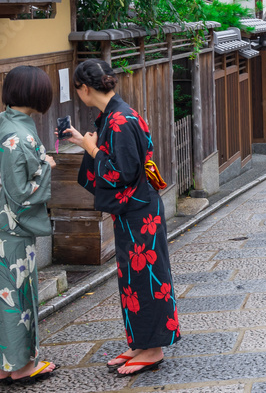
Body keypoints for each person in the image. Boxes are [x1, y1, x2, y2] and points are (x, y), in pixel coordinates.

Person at [66, 59, 179, 376]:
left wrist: (92, 151)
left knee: (148, 277)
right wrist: (83, 141)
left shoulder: (120, 119)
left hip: (140, 210)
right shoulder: (113, 115)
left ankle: (153, 349)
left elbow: (123, 171)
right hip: (133, 209)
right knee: (132, 279)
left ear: (85, 88)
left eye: (78, 90)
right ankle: (140, 344)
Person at [0, 66, 57, 384]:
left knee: (0, 297)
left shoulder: (3, 120)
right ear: (36, 94)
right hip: (9, 228)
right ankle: (21, 368)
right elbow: (21, 192)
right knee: (16, 297)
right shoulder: (19, 136)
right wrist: (46, 167)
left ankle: (4, 366)